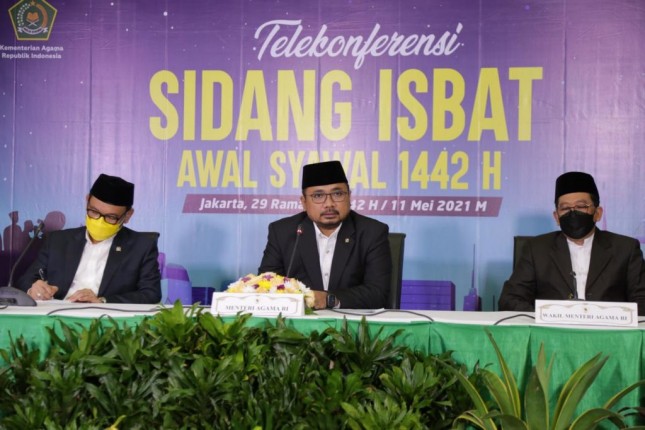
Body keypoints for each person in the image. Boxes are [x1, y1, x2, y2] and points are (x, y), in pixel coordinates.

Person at [499, 171, 645, 315]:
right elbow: (510, 299)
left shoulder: (626, 249)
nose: (573, 213)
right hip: (552, 334)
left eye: (581, 206)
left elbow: (642, 299)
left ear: (598, 213)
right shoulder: (536, 249)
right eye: (565, 208)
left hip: (609, 334)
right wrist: (546, 317)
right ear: (556, 217)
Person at [258, 160, 391, 309]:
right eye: (318, 196)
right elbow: (267, 285)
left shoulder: (372, 232)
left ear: (349, 196)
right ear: (303, 202)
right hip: (298, 325)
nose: (329, 204)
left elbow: (378, 293)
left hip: (351, 325)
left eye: (338, 193)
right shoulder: (283, 231)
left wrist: (329, 299)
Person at [17, 174, 161, 304]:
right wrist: (33, 288)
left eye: (111, 217)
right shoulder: (58, 240)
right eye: (94, 211)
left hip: (105, 321)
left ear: (128, 215)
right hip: (56, 314)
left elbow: (151, 293)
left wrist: (102, 301)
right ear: (87, 201)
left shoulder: (141, 246)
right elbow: (25, 280)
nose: (99, 220)